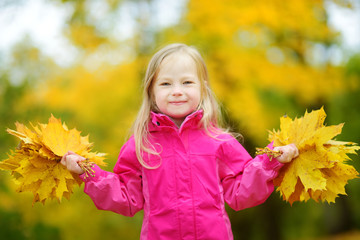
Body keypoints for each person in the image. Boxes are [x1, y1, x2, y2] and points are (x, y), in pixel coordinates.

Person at [61, 43, 299, 240]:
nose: (177, 91)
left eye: (187, 82)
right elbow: (125, 197)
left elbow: (241, 192)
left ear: (202, 89)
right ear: (151, 91)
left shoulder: (219, 141)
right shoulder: (141, 145)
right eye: (166, 84)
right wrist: (87, 172)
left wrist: (271, 161)